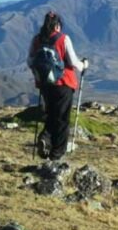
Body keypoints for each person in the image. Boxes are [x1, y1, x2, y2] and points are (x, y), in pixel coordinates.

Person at [27, 11, 88, 160]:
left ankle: (45, 138)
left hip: (45, 85)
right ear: (58, 25)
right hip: (63, 84)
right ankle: (56, 154)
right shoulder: (63, 39)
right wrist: (84, 65)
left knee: (52, 114)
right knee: (62, 119)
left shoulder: (37, 40)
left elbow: (29, 61)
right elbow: (73, 62)